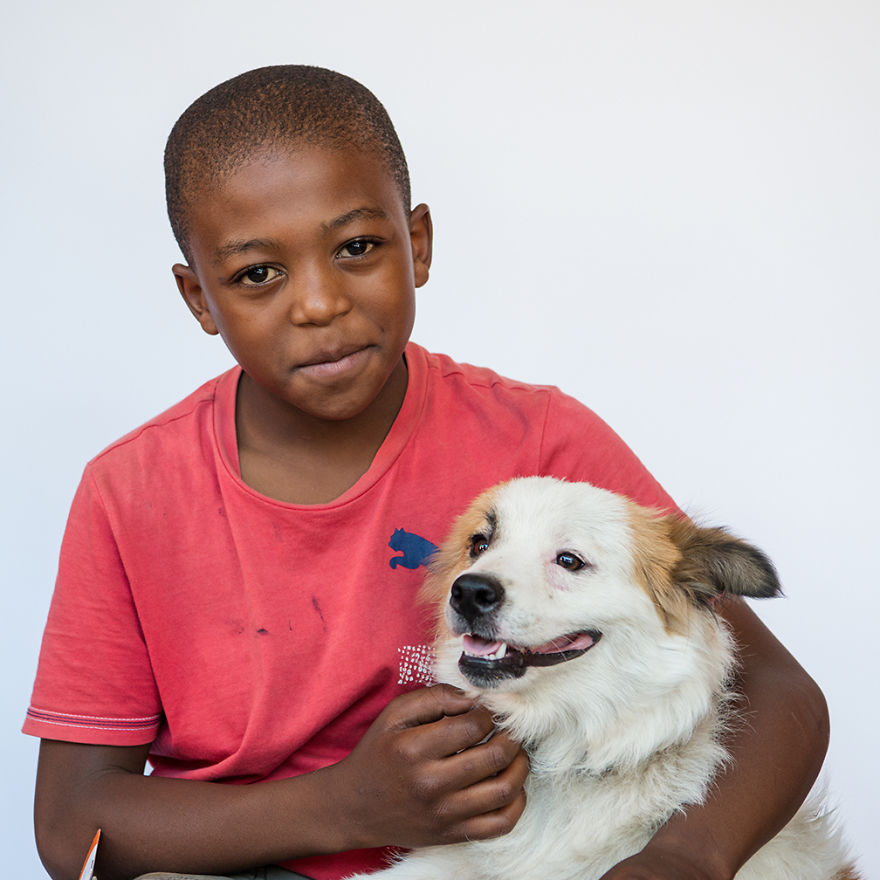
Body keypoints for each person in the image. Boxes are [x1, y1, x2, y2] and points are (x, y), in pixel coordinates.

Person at [24, 66, 829, 880]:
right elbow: (71, 828)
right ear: (200, 299)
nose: (318, 304)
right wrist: (342, 807)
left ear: (420, 244)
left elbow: (778, 693)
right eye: (258, 274)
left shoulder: (540, 439)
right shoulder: (131, 491)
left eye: (358, 248)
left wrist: (684, 859)